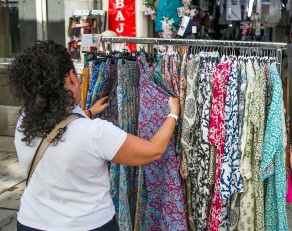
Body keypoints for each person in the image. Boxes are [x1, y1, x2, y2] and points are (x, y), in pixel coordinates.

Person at [8, 41, 180, 230]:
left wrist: (89, 111)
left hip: (31, 221)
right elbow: (153, 151)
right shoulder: (94, 134)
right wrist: (173, 113)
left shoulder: (24, 121)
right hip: (87, 224)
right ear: (72, 78)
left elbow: (59, 126)